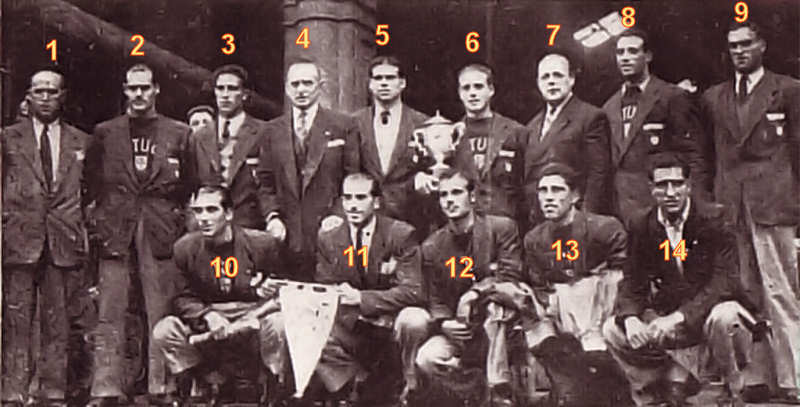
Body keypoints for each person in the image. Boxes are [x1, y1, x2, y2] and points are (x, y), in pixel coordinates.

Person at [603, 153, 757, 407]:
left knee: (725, 316)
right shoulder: (642, 224)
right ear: (651, 189)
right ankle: (665, 385)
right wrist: (630, 318)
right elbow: (632, 280)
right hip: (669, 316)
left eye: (677, 184)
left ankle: (733, 387)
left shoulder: (715, 218)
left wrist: (680, 316)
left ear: (689, 186)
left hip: (711, 313)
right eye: (662, 185)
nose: (670, 193)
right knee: (613, 330)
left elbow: (724, 282)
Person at [701, 20, 800, 404]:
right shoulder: (715, 97)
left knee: (782, 293)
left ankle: (794, 379)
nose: (739, 51)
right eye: (733, 46)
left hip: (773, 207)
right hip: (732, 209)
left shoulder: (788, 90)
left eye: (746, 44)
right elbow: (709, 156)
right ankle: (757, 377)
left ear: (762, 46)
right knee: (744, 294)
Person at [85, 63, 193, 405]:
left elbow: (191, 185)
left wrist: (175, 220)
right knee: (110, 309)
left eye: (145, 87)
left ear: (156, 89)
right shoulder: (105, 133)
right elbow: (91, 183)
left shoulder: (179, 133)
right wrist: (100, 222)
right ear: (124, 90)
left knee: (160, 307)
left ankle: (161, 387)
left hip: (160, 228)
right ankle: (106, 388)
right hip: (116, 228)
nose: (139, 94)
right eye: (133, 88)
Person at [1, 69, 92, 406]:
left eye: (51, 91)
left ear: (62, 96)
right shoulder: (8, 139)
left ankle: (53, 393)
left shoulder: (81, 141)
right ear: (28, 96)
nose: (45, 97)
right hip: (19, 238)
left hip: (62, 240)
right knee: (17, 320)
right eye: (38, 91)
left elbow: (92, 189)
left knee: (58, 322)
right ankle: (13, 392)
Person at [151, 185, 286, 405]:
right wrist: (207, 315)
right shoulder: (185, 248)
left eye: (211, 210)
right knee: (165, 330)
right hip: (208, 320)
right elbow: (181, 297)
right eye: (198, 211)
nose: (203, 218)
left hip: (253, 316)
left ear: (229, 213)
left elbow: (282, 291)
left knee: (279, 323)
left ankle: (272, 385)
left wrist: (261, 295)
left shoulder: (262, 244)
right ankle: (202, 382)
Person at [314, 173, 427, 405]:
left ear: (375, 202)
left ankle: (409, 384)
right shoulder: (329, 238)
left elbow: (414, 290)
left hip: (390, 320)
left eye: (360, 198)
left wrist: (362, 298)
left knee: (415, 319)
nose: (353, 205)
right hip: (352, 323)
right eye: (347, 198)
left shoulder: (400, 234)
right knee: (310, 326)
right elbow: (325, 286)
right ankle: (355, 385)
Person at [522, 163, 629, 406]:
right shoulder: (535, 239)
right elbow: (540, 285)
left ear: (575, 196)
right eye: (543, 191)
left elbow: (623, 276)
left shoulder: (604, 228)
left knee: (585, 287)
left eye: (557, 190)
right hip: (560, 313)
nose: (549, 197)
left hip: (602, 310)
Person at [414, 169, 523, 407]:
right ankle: (477, 388)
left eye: (456, 193)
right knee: (426, 358)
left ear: (472, 196)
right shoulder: (432, 246)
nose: (449, 200)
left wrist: (475, 293)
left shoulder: (501, 228)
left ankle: (499, 389)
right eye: (443, 195)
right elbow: (434, 297)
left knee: (497, 305)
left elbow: (509, 275)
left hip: (502, 325)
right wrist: (444, 323)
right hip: (462, 329)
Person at [257, 58, 360, 281]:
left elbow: (354, 177)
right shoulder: (271, 130)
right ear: (286, 88)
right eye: (295, 84)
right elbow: (265, 183)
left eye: (307, 83)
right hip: (286, 235)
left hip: (329, 231)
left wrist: (339, 214)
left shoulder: (343, 126)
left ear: (320, 87)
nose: (301, 90)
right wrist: (272, 217)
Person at [602, 29, 709, 226]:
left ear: (648, 56)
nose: (625, 58)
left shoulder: (671, 97)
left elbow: (693, 155)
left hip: (661, 205)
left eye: (632, 51)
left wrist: (698, 205)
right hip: (621, 209)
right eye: (620, 52)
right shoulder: (609, 106)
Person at [525, 52, 611, 222]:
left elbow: (598, 173)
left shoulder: (590, 117)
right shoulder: (531, 126)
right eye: (545, 77)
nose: (551, 81)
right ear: (538, 83)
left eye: (557, 75)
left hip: (573, 217)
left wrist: (586, 218)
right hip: (540, 220)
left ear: (571, 79)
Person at [352, 56, 430, 238]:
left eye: (390, 78)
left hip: (409, 218)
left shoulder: (422, 123)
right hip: (365, 218)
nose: (384, 83)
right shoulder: (354, 123)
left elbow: (430, 170)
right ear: (370, 84)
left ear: (402, 83)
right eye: (378, 78)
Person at [188, 65, 269, 230]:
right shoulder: (200, 136)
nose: (225, 95)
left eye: (232, 89)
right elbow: (192, 183)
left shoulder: (264, 132)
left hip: (250, 225)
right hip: (209, 227)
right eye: (220, 88)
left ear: (244, 94)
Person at [450, 63, 527, 228]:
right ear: (460, 93)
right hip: (465, 225)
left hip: (506, 224)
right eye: (466, 88)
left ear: (491, 90)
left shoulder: (515, 132)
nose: (472, 93)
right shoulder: (450, 134)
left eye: (478, 87)